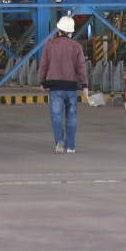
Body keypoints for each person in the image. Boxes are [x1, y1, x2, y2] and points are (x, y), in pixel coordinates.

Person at [37, 14, 90, 153]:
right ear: (71, 32)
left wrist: (42, 81)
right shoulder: (77, 46)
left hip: (55, 87)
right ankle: (70, 146)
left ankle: (59, 141)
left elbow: (43, 65)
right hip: (71, 87)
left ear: (58, 30)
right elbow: (81, 67)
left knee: (56, 116)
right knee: (71, 117)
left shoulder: (49, 45)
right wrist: (84, 85)